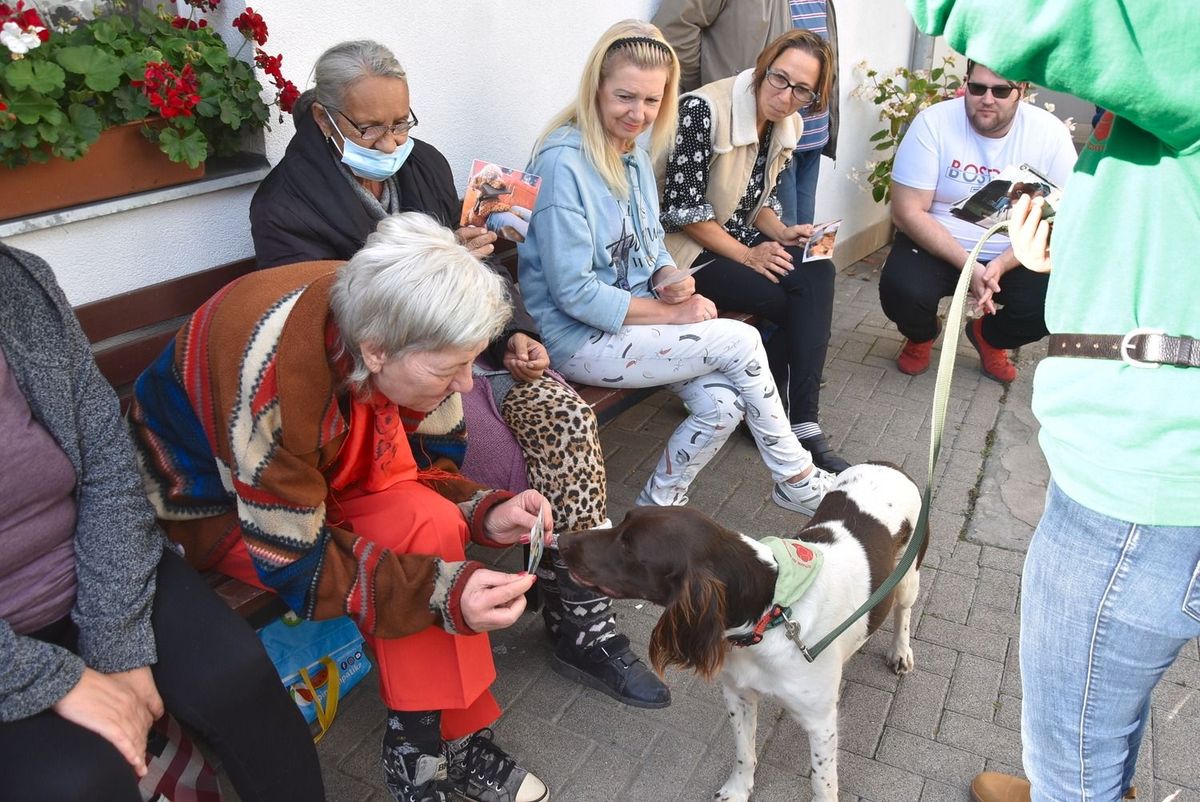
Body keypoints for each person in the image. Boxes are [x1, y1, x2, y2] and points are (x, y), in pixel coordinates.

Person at [249, 40, 668, 711]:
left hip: (473, 351)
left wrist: (516, 338)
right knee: (502, 458)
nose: (393, 140)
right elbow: (330, 325)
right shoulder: (284, 208)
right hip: (394, 380)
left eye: (403, 121)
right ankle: (536, 592)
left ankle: (579, 609)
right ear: (325, 119)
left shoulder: (424, 165)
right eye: (372, 127)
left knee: (564, 413)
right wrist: (439, 265)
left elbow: (487, 281)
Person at [128, 214, 552, 802]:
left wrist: (482, 510)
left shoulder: (401, 318)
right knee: (421, 563)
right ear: (377, 352)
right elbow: (296, 563)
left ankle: (432, 737)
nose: (464, 386)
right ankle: (426, 749)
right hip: (216, 501)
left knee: (429, 525)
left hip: (313, 467)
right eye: (450, 369)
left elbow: (432, 469)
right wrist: (444, 593)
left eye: (471, 363)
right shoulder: (273, 381)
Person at [905, 2, 1200, 801]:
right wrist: (1068, 232)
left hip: (1140, 485)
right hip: (1148, 466)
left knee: (1073, 751)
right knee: (1102, 704)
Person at [0, 244, 325, 802]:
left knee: (236, 677)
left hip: (96, 566)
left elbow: (107, 459)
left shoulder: (16, 284)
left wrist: (115, 645)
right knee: (82, 780)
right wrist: (55, 681)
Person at [519, 19, 835, 514]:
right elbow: (574, 294)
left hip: (627, 328)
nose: (638, 113)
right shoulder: (564, 165)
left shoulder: (631, 155)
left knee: (724, 405)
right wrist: (671, 314)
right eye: (626, 97)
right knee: (741, 338)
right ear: (596, 87)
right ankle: (794, 475)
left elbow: (652, 244)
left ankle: (653, 510)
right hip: (576, 338)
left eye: (651, 101)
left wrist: (671, 277)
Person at [659, 28, 848, 472]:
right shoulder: (702, 110)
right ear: (763, 67)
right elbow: (683, 211)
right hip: (681, 254)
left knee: (818, 272)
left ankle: (797, 420)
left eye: (802, 90)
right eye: (779, 79)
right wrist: (749, 255)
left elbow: (753, 201)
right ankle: (788, 419)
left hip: (729, 240)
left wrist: (780, 233)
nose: (785, 96)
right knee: (792, 300)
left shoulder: (788, 122)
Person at [878, 58, 1077, 383]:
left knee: (1047, 307)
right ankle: (922, 335)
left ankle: (990, 337)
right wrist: (971, 266)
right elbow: (906, 211)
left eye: (1000, 90)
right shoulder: (933, 123)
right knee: (901, 290)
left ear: (1021, 91)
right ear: (966, 83)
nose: (987, 98)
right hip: (940, 244)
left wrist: (1003, 262)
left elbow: (1067, 217)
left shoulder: (1049, 133)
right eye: (978, 87)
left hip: (1013, 251)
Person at [652, 0, 841, 228]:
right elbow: (674, 27)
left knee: (803, 249)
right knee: (781, 253)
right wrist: (712, 92)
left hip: (804, 132)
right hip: (751, 129)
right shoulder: (707, 108)